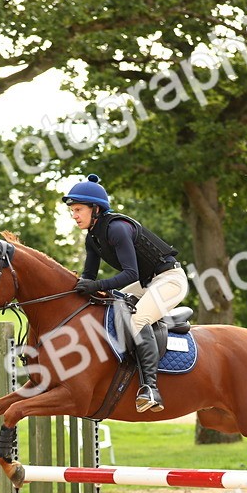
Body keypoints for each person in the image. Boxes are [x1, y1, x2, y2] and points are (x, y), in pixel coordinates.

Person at [62, 174, 189, 412]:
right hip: (146, 282)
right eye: (73, 211)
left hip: (169, 279)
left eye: (79, 209)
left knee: (138, 318)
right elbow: (89, 276)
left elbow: (130, 273)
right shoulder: (93, 237)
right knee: (111, 307)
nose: (75, 215)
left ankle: (150, 388)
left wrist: (98, 286)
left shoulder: (117, 228)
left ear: (96, 209)